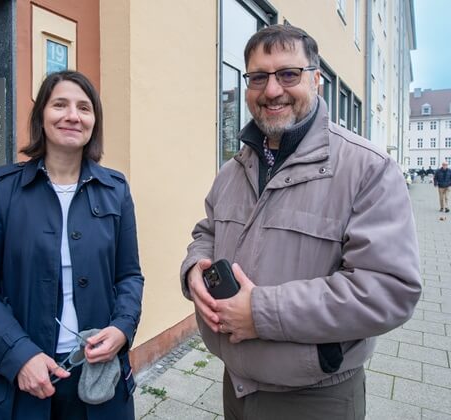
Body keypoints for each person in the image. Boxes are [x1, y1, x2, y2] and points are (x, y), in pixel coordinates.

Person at [180, 25, 421, 420]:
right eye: (258, 77)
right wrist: (193, 269)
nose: (272, 90)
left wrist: (260, 311)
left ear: (316, 80)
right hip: (234, 384)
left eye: (288, 74)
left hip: (313, 397)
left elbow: (389, 290)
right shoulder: (233, 169)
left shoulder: (367, 169)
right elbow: (206, 232)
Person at [0, 70, 143, 420]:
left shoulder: (115, 190)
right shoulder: (3, 188)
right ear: (42, 116)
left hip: (97, 376)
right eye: (60, 105)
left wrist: (122, 328)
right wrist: (19, 354)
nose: (73, 115)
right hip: (18, 379)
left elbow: (129, 276)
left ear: (93, 122)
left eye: (84, 108)